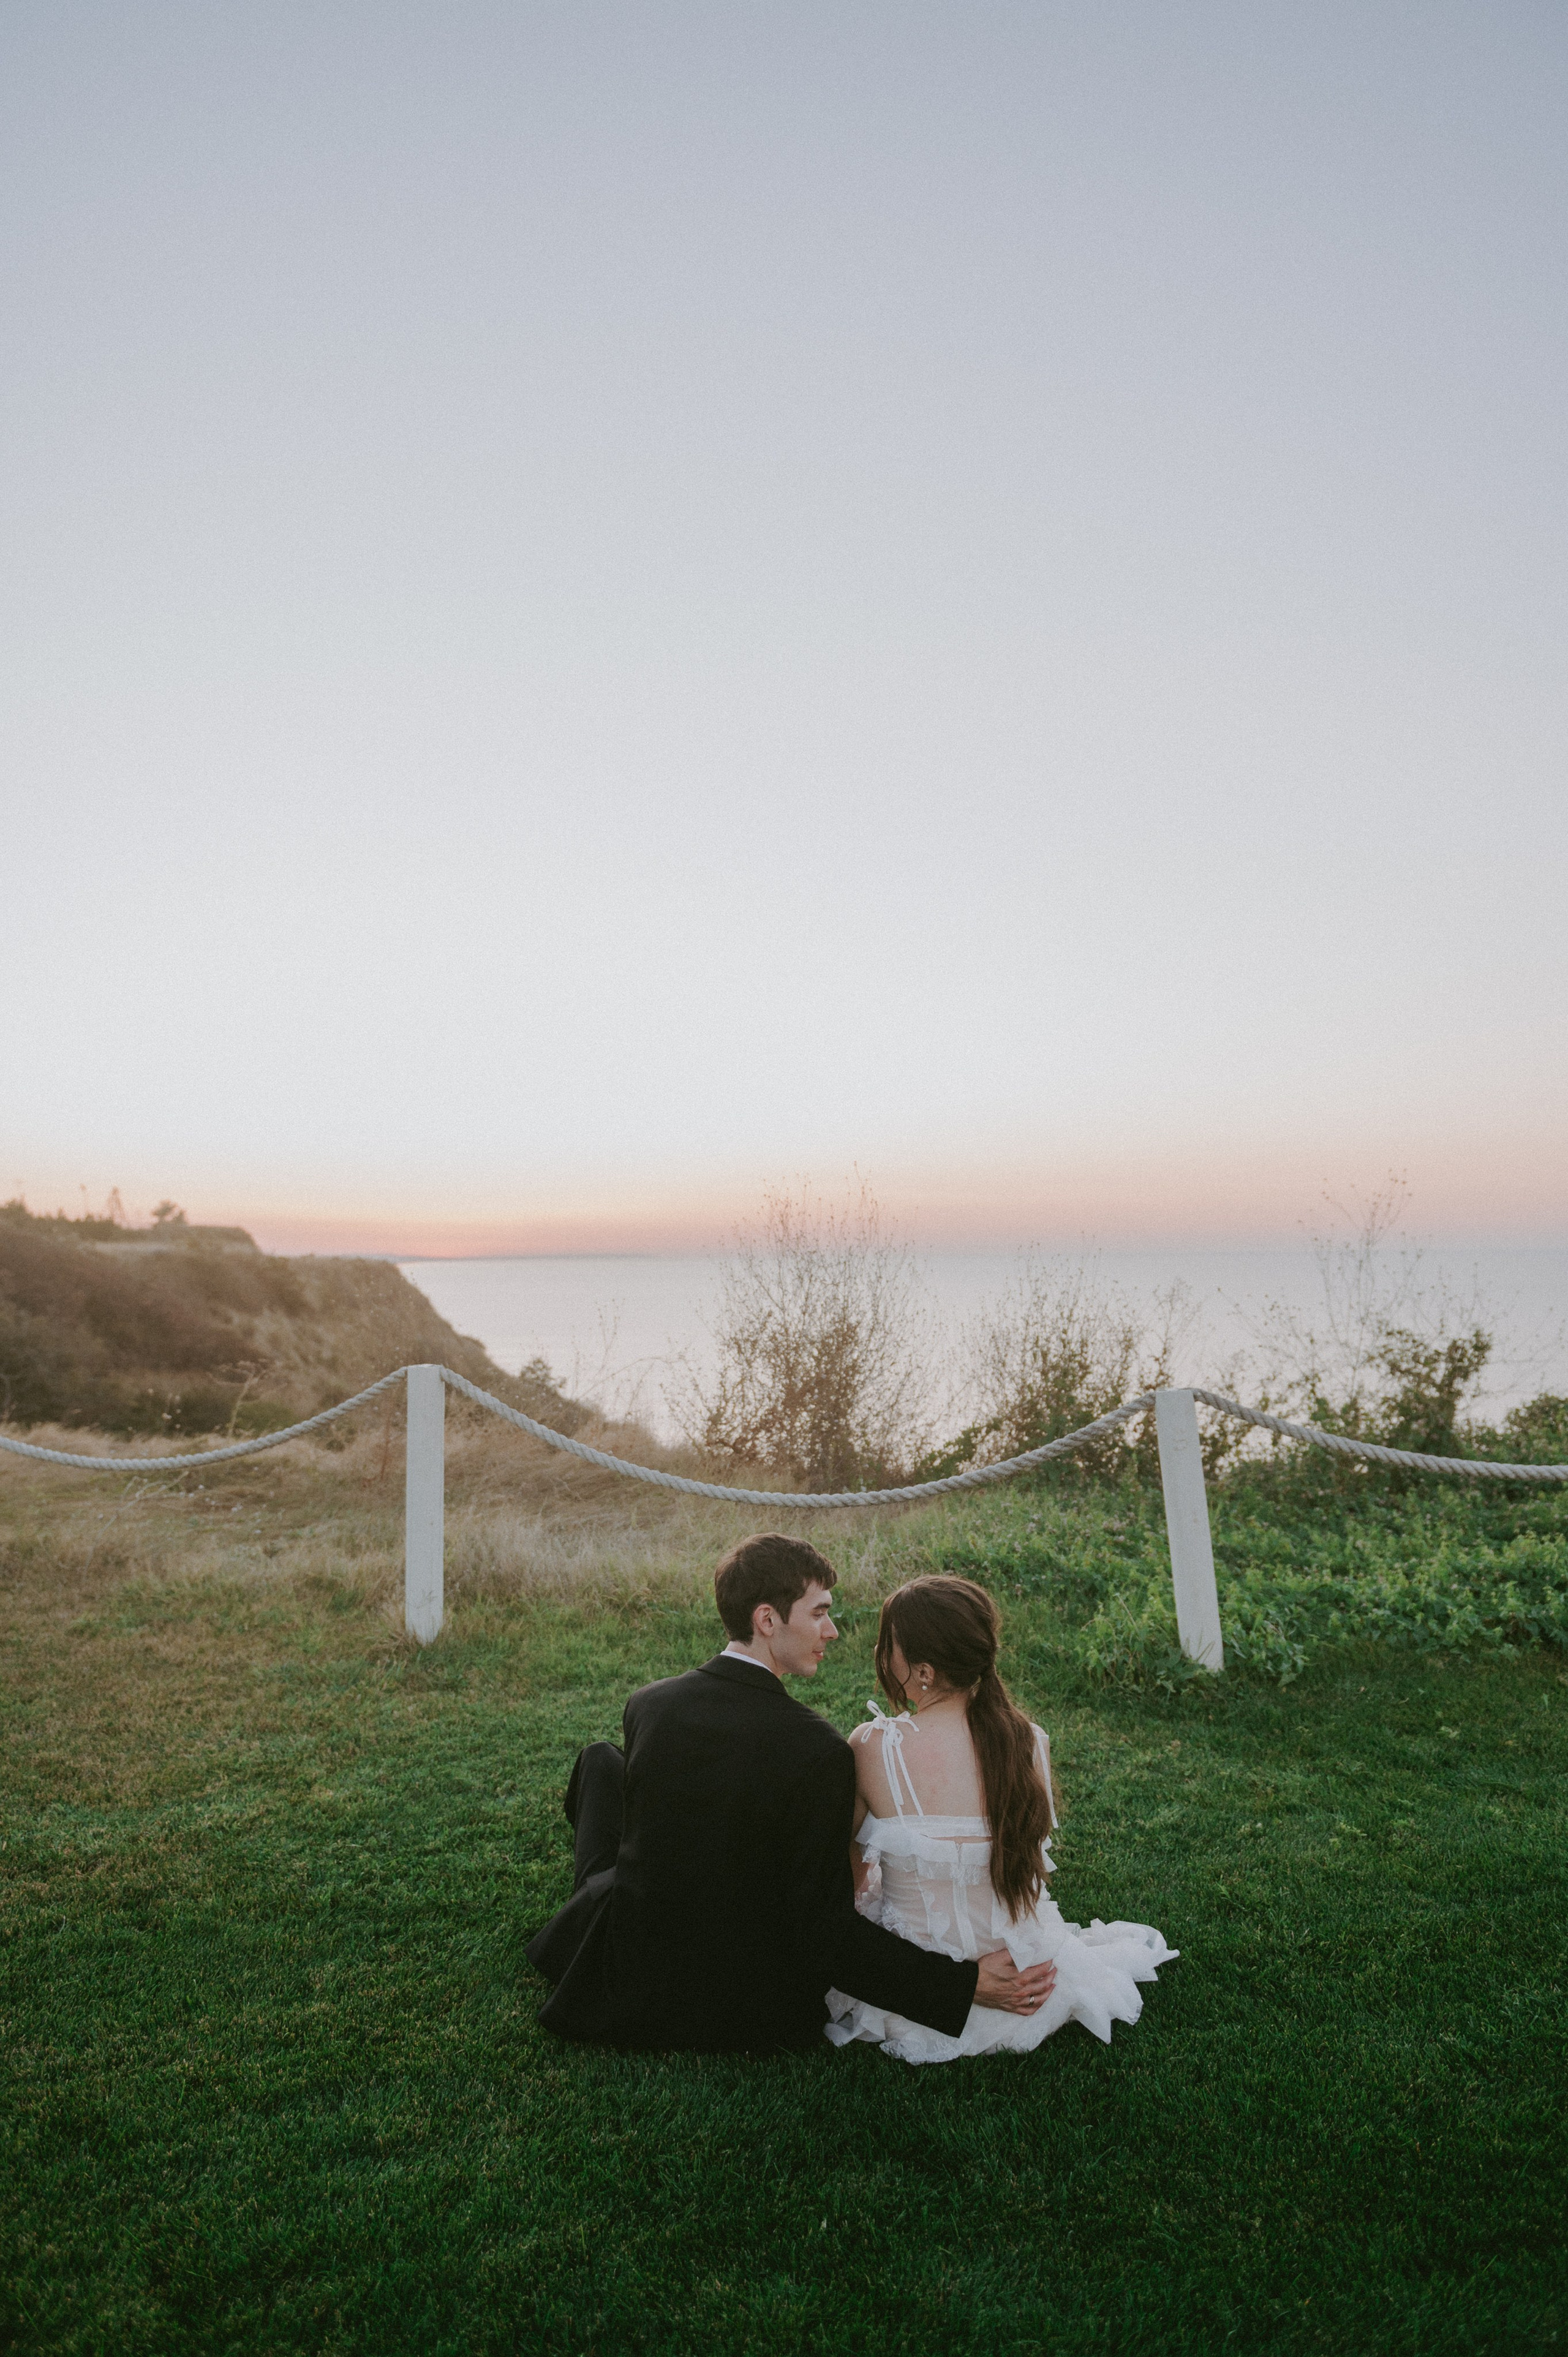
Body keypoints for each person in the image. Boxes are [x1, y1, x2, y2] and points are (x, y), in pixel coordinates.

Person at [526, 1534, 1059, 2053]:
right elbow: (823, 1930)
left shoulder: (649, 1705)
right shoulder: (818, 1749)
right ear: (767, 1619)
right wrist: (962, 1987)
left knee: (601, 1767)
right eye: (819, 1613)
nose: (831, 1632)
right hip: (748, 2005)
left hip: (634, 1967)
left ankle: (586, 1902)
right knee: (603, 1766)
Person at [825, 1573, 1178, 2065]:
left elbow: (851, 1879)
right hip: (1032, 1978)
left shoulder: (872, 1745)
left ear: (922, 1670)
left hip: (916, 1995)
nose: (884, 1656)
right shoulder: (1029, 1740)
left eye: (889, 1645)